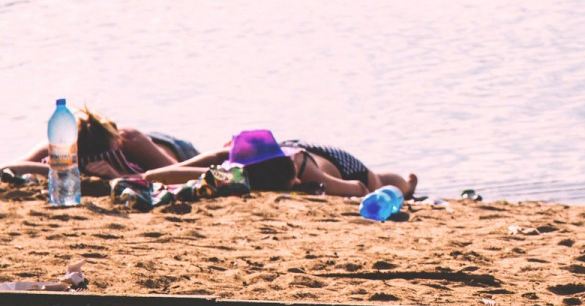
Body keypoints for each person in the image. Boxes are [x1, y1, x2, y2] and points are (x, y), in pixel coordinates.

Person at [168, 129, 417, 198]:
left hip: (339, 164)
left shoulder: (309, 174)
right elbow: (158, 175)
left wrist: (313, 185)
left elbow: (359, 189)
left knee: (380, 182)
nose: (297, 183)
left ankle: (407, 184)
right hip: (277, 152)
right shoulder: (240, 158)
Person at [2, 108, 201, 184]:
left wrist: (119, 176)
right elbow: (10, 168)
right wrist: (65, 171)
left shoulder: (128, 140)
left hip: (176, 150)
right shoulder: (58, 149)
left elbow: (176, 172)